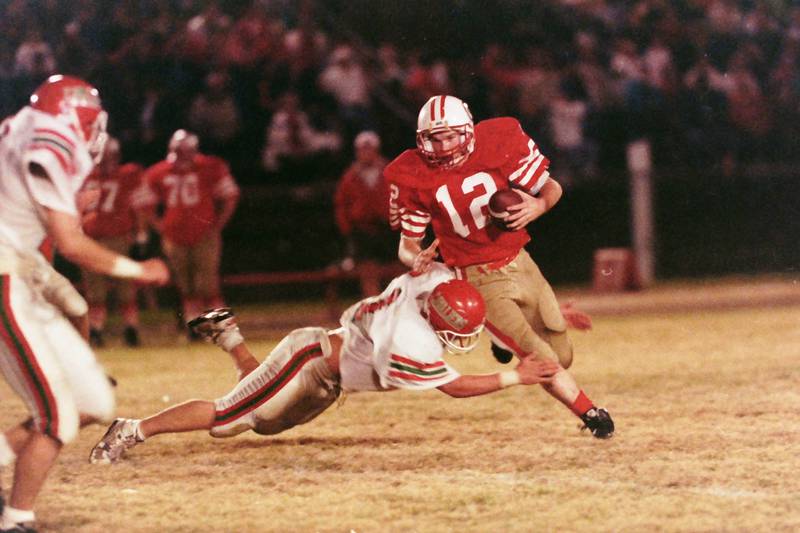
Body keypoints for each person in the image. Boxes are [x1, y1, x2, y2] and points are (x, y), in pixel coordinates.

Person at [89, 263, 562, 465]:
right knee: (229, 419)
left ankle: (229, 336)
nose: (462, 340)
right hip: (310, 360)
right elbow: (454, 387)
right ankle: (131, 429)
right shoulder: (409, 340)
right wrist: (515, 376)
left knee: (263, 424)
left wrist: (537, 315)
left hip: (329, 373)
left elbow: (441, 270)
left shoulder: (433, 282)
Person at [384, 94, 614, 438]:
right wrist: (414, 257)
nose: (445, 146)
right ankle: (591, 414)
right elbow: (407, 243)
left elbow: (551, 187)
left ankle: (502, 342)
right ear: (422, 140)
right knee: (542, 358)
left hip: (521, 261)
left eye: (452, 136)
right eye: (436, 138)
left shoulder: (499, 140)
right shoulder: (412, 173)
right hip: (476, 274)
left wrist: (538, 206)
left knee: (562, 356)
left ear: (468, 131)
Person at [0, 75, 170, 533]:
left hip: (22, 270)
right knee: (56, 415)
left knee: (91, 400)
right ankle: (16, 520)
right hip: (4, 277)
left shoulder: (20, 125)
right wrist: (139, 270)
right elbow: (72, 244)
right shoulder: (52, 141)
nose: (94, 132)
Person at [137, 129, 240, 335]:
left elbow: (230, 196)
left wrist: (217, 225)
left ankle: (225, 329)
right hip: (174, 236)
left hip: (204, 234)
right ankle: (197, 329)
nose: (181, 157)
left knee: (208, 285)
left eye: (184, 151)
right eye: (178, 151)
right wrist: (160, 226)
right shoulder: (159, 171)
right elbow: (144, 203)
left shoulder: (210, 166)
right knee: (186, 287)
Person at [79, 136, 148, 347]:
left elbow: (139, 207)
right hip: (91, 239)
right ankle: (97, 330)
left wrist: (140, 235)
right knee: (95, 290)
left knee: (125, 286)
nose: (107, 161)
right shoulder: (85, 176)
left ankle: (130, 329)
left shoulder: (128, 174)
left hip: (118, 238)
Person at [333, 130, 393, 296]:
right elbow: (341, 205)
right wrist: (347, 229)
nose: (366, 153)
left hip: (388, 228)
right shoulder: (350, 176)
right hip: (363, 231)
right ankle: (373, 306)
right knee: (368, 272)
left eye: (370, 149)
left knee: (396, 270)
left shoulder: (390, 170)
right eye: (362, 149)